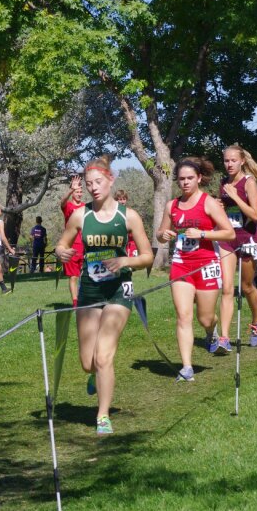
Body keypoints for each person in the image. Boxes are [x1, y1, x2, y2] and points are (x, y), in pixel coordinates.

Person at [54, 156, 152, 434]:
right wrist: (62, 251)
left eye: (98, 182)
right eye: (88, 184)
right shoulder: (80, 215)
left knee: (104, 356)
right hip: (90, 289)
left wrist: (125, 262)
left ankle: (103, 415)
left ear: (111, 179)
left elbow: (147, 256)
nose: (94, 188)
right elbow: (62, 243)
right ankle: (96, 376)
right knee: (88, 363)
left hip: (119, 291)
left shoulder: (128, 216)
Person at [156, 157, 234, 382]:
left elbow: (228, 232)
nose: (186, 183)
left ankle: (212, 332)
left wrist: (202, 234)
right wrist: (164, 235)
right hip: (181, 265)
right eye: (181, 179)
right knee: (183, 315)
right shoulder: (172, 205)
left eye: (190, 178)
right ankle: (187, 367)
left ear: (199, 178)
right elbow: (161, 233)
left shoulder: (208, 202)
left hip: (207, 264)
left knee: (205, 317)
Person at [215, 144, 257, 352]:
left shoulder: (249, 182)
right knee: (227, 288)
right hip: (228, 238)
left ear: (242, 161)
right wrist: (220, 206)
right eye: (226, 160)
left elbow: (255, 215)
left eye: (233, 160)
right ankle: (224, 338)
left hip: (247, 238)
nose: (229, 164)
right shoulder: (223, 182)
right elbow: (226, 209)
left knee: (246, 287)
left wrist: (234, 196)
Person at [60, 175, 86, 306]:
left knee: (87, 275)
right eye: (77, 191)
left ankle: (86, 299)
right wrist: (71, 189)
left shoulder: (86, 207)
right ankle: (75, 303)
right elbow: (62, 202)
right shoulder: (68, 207)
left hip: (85, 246)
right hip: (71, 247)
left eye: (81, 191)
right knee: (74, 276)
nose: (79, 194)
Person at [114, 190, 140, 258]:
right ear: (116, 200)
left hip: (130, 243)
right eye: (120, 199)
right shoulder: (112, 213)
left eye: (124, 199)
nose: (122, 202)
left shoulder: (130, 212)